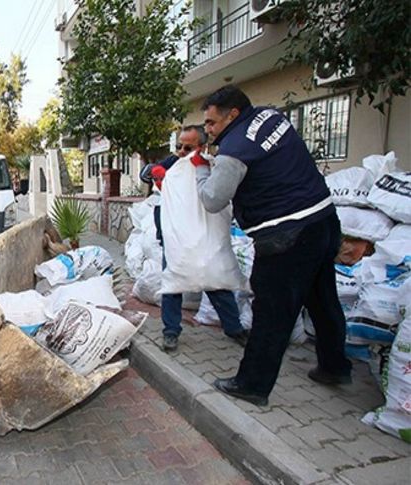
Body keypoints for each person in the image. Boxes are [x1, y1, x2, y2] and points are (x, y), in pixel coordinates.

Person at [192, 85, 351, 406]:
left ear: (233, 114)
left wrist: (201, 171)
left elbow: (212, 199)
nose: (206, 129)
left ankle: (252, 384)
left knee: (271, 313)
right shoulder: (270, 116)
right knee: (323, 300)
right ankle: (335, 367)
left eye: (211, 123)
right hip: (323, 222)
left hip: (285, 238)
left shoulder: (233, 150)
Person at [140, 125, 248, 352]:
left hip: (205, 237)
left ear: (202, 146)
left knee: (215, 281)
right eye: (178, 146)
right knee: (173, 285)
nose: (180, 151)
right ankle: (171, 331)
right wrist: (156, 174)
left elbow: (216, 197)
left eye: (187, 147)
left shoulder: (211, 166)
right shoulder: (173, 163)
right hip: (177, 240)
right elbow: (148, 173)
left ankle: (234, 328)